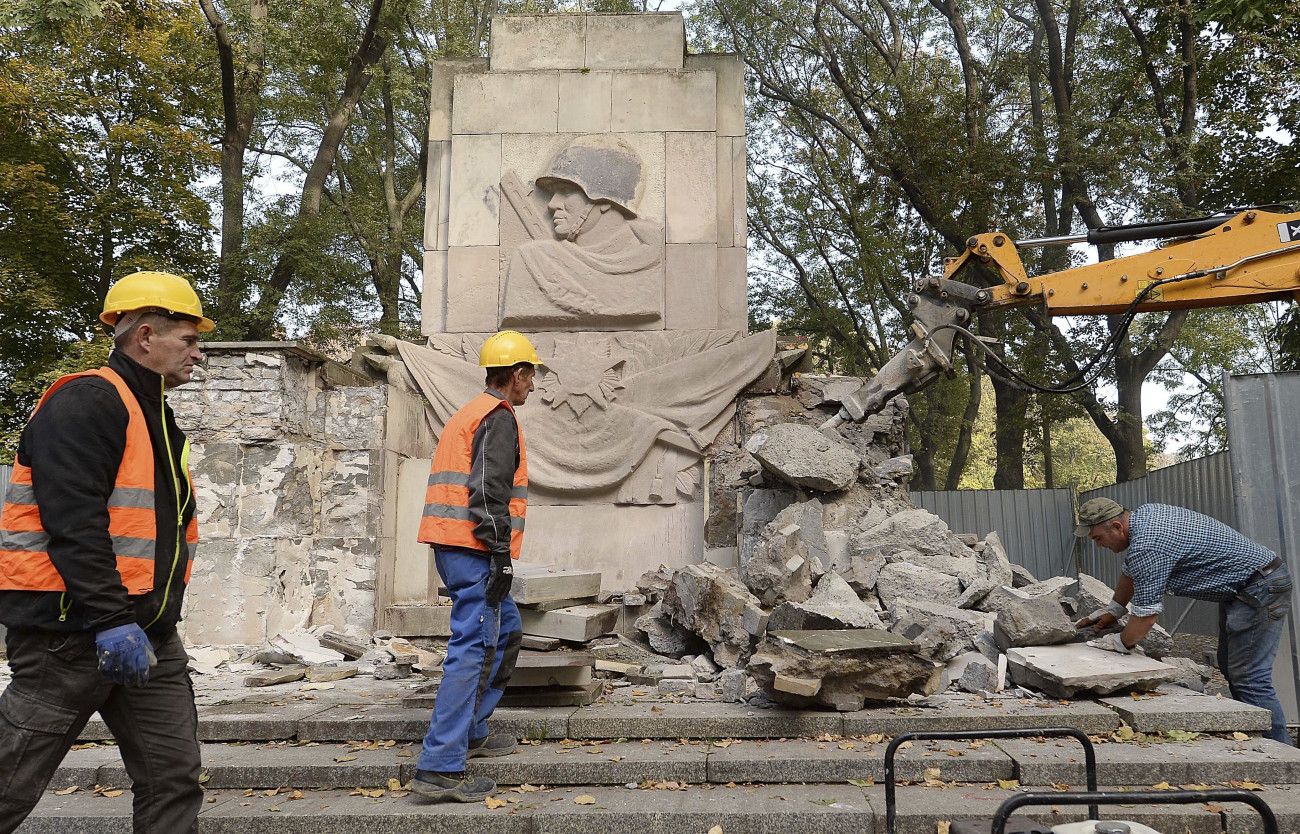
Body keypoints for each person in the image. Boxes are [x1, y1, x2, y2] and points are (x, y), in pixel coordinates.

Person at [0, 270, 212, 830]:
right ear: (146, 336)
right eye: (189, 340)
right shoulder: (88, 401)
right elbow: (75, 523)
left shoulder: (156, 417)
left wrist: (140, 623)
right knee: (10, 783)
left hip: (147, 636)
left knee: (173, 778)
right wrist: (112, 620)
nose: (199, 353)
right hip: (71, 637)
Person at [411, 330, 539, 802]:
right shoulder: (497, 417)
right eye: (531, 376)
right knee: (475, 646)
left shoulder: (470, 412)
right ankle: (440, 765)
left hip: (458, 547)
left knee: (505, 630)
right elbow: (488, 492)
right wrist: (500, 553)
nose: (533, 386)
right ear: (517, 374)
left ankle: (473, 730)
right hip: (474, 550)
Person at [1075, 497, 1293, 744]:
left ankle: (1279, 750)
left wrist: (1117, 645)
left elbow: (1146, 617)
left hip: (1259, 588)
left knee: (1249, 676)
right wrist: (1114, 610)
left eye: (1097, 539)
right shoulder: (1145, 516)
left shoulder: (1148, 545)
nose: (1098, 546)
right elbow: (1131, 570)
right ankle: (1257, 735)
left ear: (1117, 526)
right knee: (1230, 665)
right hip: (1247, 586)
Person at [500, 135, 663, 328]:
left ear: (604, 201)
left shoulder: (651, 264)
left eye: (566, 192)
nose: (552, 204)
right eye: (553, 194)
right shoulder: (531, 260)